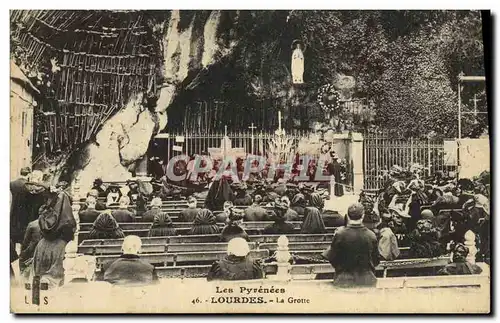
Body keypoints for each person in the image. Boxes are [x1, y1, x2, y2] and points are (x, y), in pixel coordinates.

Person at [325, 203, 380, 288]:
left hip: (344, 281)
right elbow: (376, 260)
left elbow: (332, 258)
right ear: (363, 216)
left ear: (347, 216)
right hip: (367, 282)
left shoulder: (340, 234)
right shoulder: (371, 235)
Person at [10, 167, 31, 243]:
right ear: (29, 174)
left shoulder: (12, 184)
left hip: (14, 209)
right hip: (24, 211)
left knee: (13, 231)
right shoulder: (28, 185)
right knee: (23, 233)